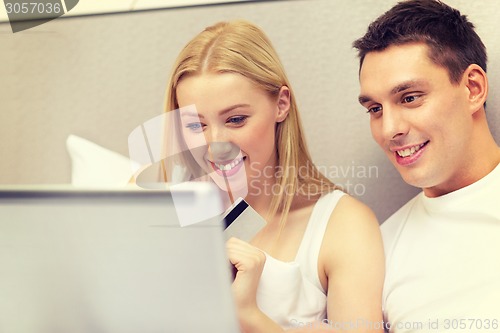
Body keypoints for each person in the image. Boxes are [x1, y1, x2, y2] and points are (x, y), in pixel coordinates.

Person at [162, 20, 385, 332]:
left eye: (236, 119)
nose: (215, 146)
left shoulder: (343, 224)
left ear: (281, 105)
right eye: (195, 125)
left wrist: (250, 316)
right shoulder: (158, 207)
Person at [353, 0, 500, 332]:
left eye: (409, 98)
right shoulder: (377, 253)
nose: (389, 129)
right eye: (375, 108)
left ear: (473, 89)